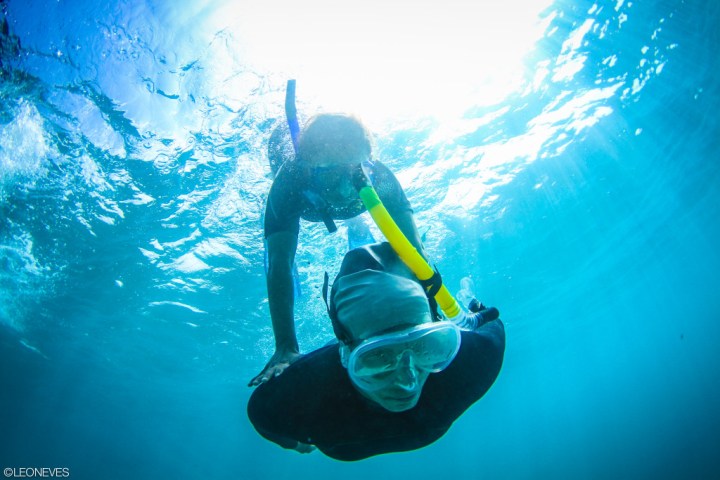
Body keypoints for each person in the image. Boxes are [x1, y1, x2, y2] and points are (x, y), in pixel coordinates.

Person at [247, 241, 505, 461]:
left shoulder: (475, 358)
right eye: (379, 356)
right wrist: (294, 443)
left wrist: (474, 306)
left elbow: (491, 324)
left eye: (422, 345)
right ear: (347, 355)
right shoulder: (299, 394)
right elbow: (262, 417)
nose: (408, 380)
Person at [250, 112, 427, 387]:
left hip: (354, 205)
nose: (347, 187)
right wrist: (285, 345)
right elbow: (279, 263)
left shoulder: (379, 176)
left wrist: (434, 314)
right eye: (333, 173)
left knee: (376, 230)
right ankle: (354, 220)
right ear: (309, 168)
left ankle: (356, 222)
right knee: (279, 254)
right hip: (307, 204)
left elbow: (414, 251)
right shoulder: (289, 182)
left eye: (356, 171)